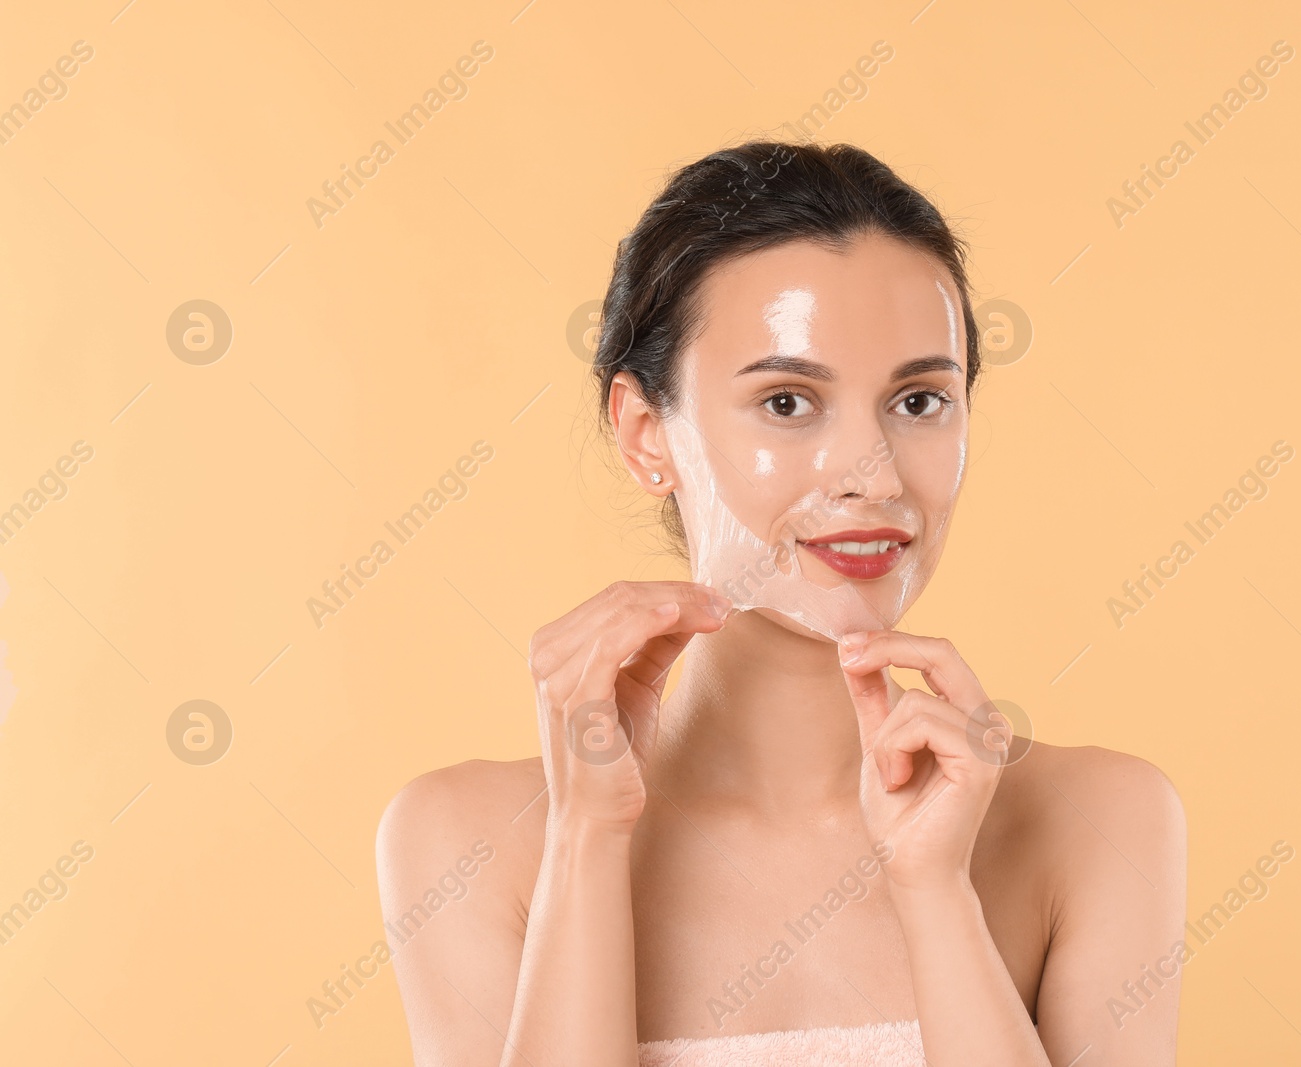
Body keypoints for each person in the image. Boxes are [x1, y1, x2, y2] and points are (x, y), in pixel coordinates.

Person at [377, 139, 1186, 1067]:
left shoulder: (1102, 822)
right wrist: (588, 840)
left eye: (920, 401)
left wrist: (936, 894)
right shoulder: (464, 843)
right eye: (789, 403)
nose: (872, 475)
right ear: (648, 434)